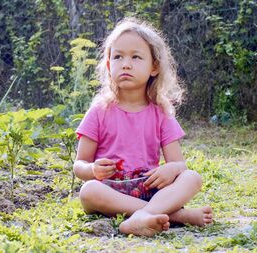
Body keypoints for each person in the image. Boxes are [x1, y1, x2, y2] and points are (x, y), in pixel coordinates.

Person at [73, 17, 213, 237]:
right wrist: (92, 170)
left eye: (136, 57)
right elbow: (79, 165)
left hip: (150, 190)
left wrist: (171, 169)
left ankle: (142, 217)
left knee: (192, 178)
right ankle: (176, 216)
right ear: (109, 66)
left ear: (154, 67)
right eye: (118, 57)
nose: (126, 64)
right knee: (88, 191)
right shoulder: (99, 110)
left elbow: (180, 164)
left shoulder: (161, 112)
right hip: (111, 192)